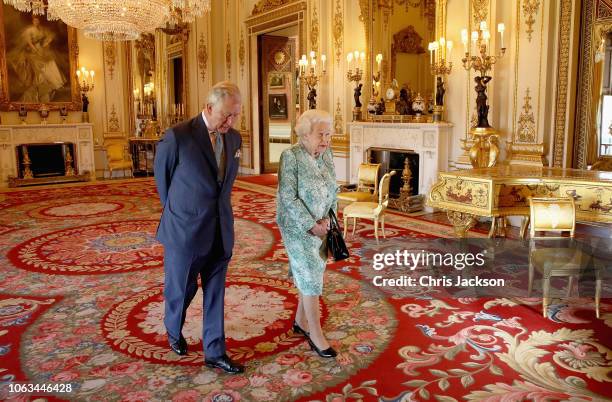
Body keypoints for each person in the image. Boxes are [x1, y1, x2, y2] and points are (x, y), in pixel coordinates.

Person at [154, 81, 244, 374]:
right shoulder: (178, 136)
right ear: (208, 108)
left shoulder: (234, 139)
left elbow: (224, 185)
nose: (230, 122)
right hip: (185, 231)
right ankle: (173, 328)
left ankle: (215, 351)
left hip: (220, 229)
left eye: (235, 116)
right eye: (226, 115)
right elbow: (163, 182)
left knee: (216, 293)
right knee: (181, 289)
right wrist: (182, 214)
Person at [276, 109, 338, 359]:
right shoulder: (290, 157)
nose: (326, 140)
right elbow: (287, 197)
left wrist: (330, 220)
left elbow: (333, 189)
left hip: (322, 225)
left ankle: (301, 320)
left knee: (312, 270)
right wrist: (311, 225)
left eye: (329, 135)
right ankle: (315, 334)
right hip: (296, 226)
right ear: (304, 134)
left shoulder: (326, 155)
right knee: (311, 273)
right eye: (321, 134)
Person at [7, 15, 67, 103]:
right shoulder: (29, 30)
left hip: (41, 48)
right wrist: (34, 49)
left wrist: (46, 43)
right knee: (38, 66)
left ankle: (55, 82)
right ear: (33, 21)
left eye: (38, 21)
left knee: (50, 62)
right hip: (33, 49)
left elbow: (49, 36)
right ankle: (42, 85)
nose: (36, 22)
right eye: (35, 21)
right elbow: (29, 42)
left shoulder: (42, 29)